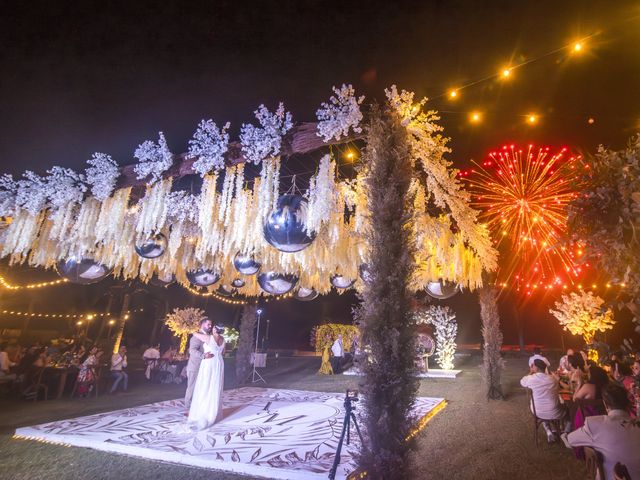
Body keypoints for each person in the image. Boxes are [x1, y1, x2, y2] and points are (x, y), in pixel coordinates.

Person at [563, 384, 640, 480]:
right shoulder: (637, 425)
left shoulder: (595, 425)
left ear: (605, 404)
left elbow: (570, 440)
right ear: (627, 403)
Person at [187, 325, 225, 429]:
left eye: (212, 326)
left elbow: (194, 333)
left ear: (214, 329)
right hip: (219, 362)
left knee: (205, 386)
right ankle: (214, 411)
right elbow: (223, 352)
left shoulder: (209, 338)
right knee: (215, 386)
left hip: (209, 363)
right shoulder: (223, 339)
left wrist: (190, 325)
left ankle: (204, 411)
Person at [520, 359, 567, 442]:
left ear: (536, 368)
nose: (532, 367)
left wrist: (531, 372)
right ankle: (565, 431)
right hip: (554, 411)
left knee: (545, 408)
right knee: (567, 409)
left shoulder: (531, 379)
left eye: (533, 366)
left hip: (538, 411)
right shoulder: (552, 379)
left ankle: (549, 430)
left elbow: (522, 382)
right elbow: (559, 389)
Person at [184, 318, 212, 409]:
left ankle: (197, 405)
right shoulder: (196, 336)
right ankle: (188, 406)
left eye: (211, 325)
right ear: (202, 324)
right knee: (192, 387)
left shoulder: (208, 336)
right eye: (208, 324)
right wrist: (203, 356)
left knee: (200, 387)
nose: (210, 326)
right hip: (195, 366)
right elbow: (192, 350)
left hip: (204, 367)